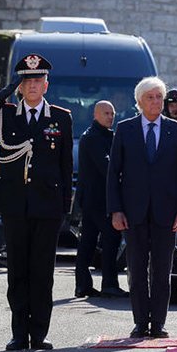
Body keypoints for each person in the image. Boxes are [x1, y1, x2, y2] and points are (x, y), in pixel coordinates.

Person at [0, 54, 73, 351]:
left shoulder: (60, 117)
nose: (32, 86)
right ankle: (19, 333)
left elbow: (65, 165)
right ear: (20, 85)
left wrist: (65, 207)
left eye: (37, 80)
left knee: (42, 272)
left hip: (47, 206)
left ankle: (39, 333)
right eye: (27, 80)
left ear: (46, 84)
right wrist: (5, 92)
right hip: (15, 205)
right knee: (17, 271)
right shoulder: (6, 114)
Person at [107, 77, 177, 338]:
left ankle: (158, 323)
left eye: (159, 97)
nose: (156, 102)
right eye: (150, 97)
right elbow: (114, 174)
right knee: (136, 268)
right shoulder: (125, 129)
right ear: (140, 102)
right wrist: (116, 210)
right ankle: (140, 321)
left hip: (166, 213)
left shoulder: (175, 130)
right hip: (133, 212)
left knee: (162, 270)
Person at [74, 101, 126, 298]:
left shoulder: (105, 135)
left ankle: (83, 285)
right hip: (98, 200)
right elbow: (107, 166)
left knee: (88, 242)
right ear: (95, 114)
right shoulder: (93, 137)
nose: (110, 117)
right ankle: (108, 284)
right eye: (106, 113)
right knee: (109, 240)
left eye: (112, 113)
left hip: (95, 199)